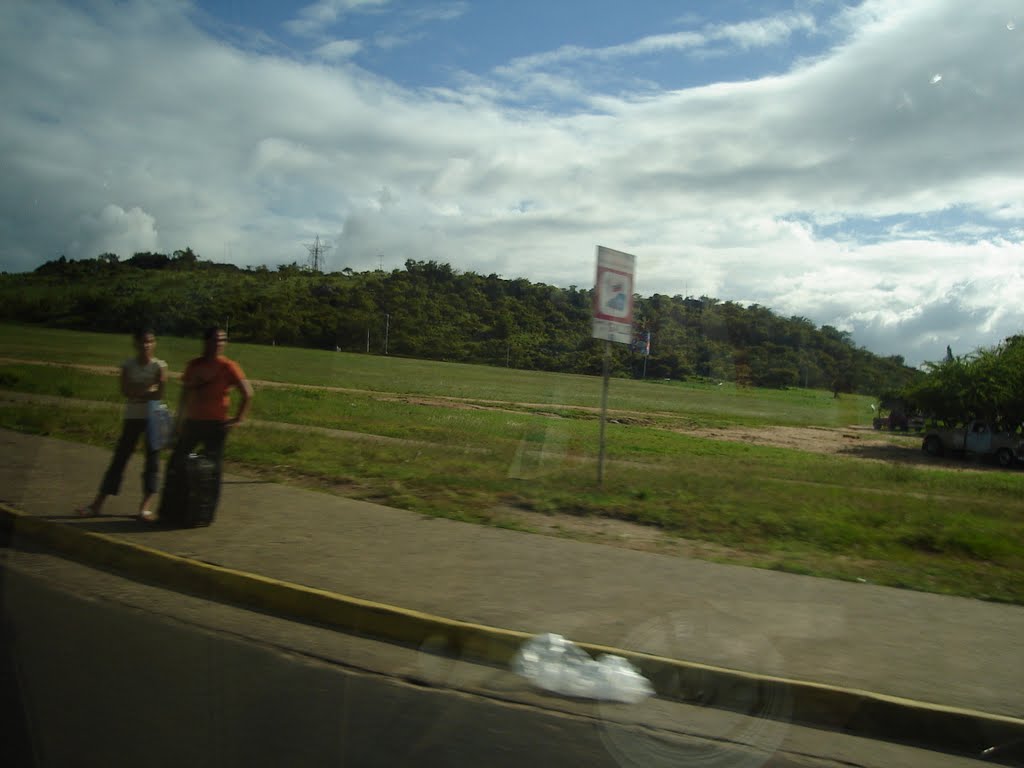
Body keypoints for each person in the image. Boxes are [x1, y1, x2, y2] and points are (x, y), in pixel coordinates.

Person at [77, 328, 168, 521]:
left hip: (153, 416)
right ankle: (97, 505)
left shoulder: (159, 365)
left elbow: (159, 393)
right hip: (133, 416)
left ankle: (145, 507)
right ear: (135, 344)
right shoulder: (128, 365)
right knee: (120, 458)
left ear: (155, 343)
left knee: (152, 460)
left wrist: (141, 391)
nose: (146, 346)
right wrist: (147, 389)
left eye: (150, 342)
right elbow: (126, 390)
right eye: (143, 342)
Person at [163, 326, 252, 517]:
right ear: (206, 341)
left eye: (222, 340)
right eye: (215, 339)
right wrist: (178, 422)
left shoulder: (229, 367)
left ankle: (206, 511)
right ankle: (169, 508)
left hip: (216, 425)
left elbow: (248, 394)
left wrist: (237, 419)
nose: (219, 344)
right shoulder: (194, 365)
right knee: (176, 462)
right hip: (193, 422)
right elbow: (185, 395)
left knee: (213, 468)